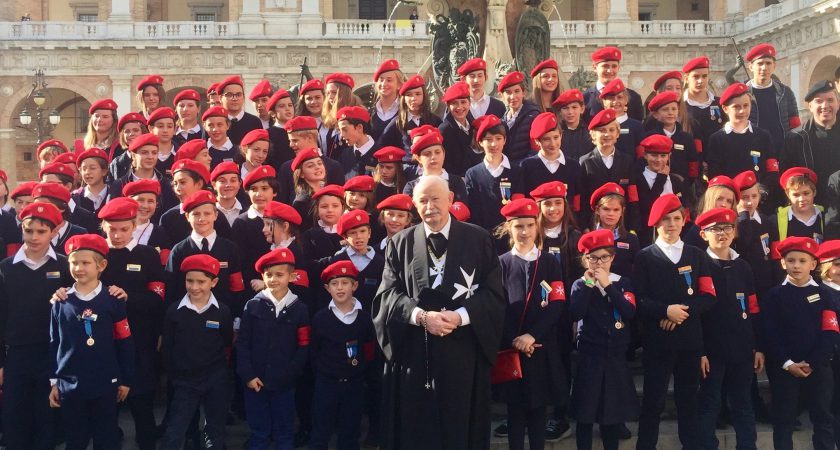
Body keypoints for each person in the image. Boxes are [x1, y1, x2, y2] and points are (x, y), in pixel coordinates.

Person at [373, 175, 506, 450]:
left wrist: (460, 317)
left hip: (463, 356)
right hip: (415, 356)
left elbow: (493, 295)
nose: (430, 205)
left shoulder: (478, 238)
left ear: (451, 199)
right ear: (414, 205)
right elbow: (386, 297)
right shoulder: (400, 244)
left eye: (436, 198)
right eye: (423, 200)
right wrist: (422, 317)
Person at [634, 194, 717, 450]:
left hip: (689, 342)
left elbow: (709, 296)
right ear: (656, 224)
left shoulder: (697, 255)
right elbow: (638, 300)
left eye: (676, 218)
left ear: (684, 221)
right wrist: (664, 311)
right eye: (665, 219)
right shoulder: (645, 257)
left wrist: (681, 313)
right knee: (653, 402)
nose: (671, 224)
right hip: (658, 342)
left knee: (688, 402)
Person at [49, 233, 135, 450]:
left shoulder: (113, 300)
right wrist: (54, 381)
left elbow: (124, 341)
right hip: (71, 384)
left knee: (106, 437)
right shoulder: (61, 301)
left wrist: (125, 379)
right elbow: (54, 342)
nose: (79, 268)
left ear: (101, 266)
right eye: (74, 262)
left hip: (105, 383)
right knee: (75, 438)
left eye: (86, 263)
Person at [0, 202, 73, 449]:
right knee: (15, 414)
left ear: (54, 232)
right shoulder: (6, 268)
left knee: (47, 414)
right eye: (28, 230)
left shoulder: (64, 266)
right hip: (17, 353)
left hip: (52, 352)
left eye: (41, 231)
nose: (33, 237)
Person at [496, 198, 566, 450]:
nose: (524, 232)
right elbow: (497, 307)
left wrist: (532, 336)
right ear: (509, 229)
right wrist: (515, 339)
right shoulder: (501, 263)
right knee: (515, 414)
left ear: (537, 227)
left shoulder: (549, 262)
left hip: (540, 348)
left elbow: (557, 304)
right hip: (512, 350)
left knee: (538, 413)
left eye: (529, 225)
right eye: (518, 226)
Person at [694, 208, 762, 450]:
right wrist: (700, 351)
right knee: (710, 402)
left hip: (742, 348)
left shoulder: (743, 266)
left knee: (743, 403)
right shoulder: (699, 264)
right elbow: (697, 314)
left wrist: (758, 347)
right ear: (704, 235)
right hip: (712, 350)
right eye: (715, 229)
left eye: (726, 228)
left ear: (734, 232)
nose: (722, 233)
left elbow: (752, 308)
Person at [763, 236, 838, 450]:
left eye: (802, 261)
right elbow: (770, 333)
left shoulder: (824, 294)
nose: (796, 265)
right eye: (791, 260)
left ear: (813, 264)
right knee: (784, 421)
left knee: (823, 418)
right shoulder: (775, 295)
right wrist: (788, 363)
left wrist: (812, 362)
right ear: (783, 263)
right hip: (785, 369)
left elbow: (830, 331)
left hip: (818, 367)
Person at [569, 229, 639, 450]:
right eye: (593, 258)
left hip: (615, 358)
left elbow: (629, 312)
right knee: (585, 416)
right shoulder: (580, 285)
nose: (599, 263)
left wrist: (608, 285)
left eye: (604, 257)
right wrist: (591, 284)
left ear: (613, 258)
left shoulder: (623, 283)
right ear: (585, 260)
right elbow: (576, 313)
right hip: (590, 358)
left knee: (611, 416)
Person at [159, 254, 234, 450]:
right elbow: (167, 346)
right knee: (176, 429)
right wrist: (175, 375)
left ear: (214, 282)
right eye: (189, 281)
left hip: (215, 378)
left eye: (201, 281)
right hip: (185, 380)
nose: (194, 287)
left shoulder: (223, 311)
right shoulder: (174, 311)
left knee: (215, 429)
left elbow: (226, 342)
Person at [237, 248, 310, 450]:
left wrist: (291, 374)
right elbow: (243, 343)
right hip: (256, 382)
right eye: (269, 275)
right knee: (259, 432)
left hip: (284, 383)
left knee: (284, 431)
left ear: (291, 276)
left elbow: (304, 346)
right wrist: (248, 375)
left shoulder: (300, 309)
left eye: (280, 275)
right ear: (262, 276)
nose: (274, 279)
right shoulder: (252, 306)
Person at [310, 260, 376, 450]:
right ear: (327, 288)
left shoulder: (364, 319)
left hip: (354, 385)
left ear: (354, 286)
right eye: (334, 283)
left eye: (345, 283)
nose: (340, 288)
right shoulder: (320, 318)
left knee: (350, 434)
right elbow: (314, 352)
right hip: (326, 384)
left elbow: (369, 352)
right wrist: (325, 372)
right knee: (320, 433)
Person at [706, 82, 779, 206]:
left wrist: (760, 192)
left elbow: (772, 170)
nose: (742, 111)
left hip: (759, 202)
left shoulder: (763, 136)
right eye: (736, 107)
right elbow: (715, 175)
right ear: (725, 108)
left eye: (746, 105)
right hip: (730, 203)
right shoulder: (717, 139)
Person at [783, 80, 840, 208]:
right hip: (810, 210)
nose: (825, 105)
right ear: (810, 106)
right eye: (819, 101)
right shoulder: (796, 138)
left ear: (838, 103)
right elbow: (787, 178)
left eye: (830, 100)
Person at [578, 108, 639, 228]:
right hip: (593, 224)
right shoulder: (584, 162)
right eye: (602, 130)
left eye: (611, 130)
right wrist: (584, 227)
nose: (607, 134)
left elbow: (632, 196)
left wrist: (634, 227)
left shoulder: (627, 161)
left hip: (622, 224)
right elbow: (582, 199)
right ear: (593, 135)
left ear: (617, 134)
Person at [513, 112, 582, 213]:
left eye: (555, 137)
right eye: (546, 139)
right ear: (537, 141)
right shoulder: (526, 166)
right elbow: (522, 202)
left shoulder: (573, 166)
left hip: (567, 225)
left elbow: (577, 204)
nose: (553, 144)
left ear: (561, 135)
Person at [632, 135, 689, 247]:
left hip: (675, 233)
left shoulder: (676, 180)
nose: (658, 160)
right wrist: (661, 179)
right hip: (649, 235)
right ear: (645, 155)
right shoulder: (637, 179)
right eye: (654, 155)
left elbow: (683, 208)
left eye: (663, 156)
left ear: (669, 156)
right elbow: (648, 206)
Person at [465, 114, 519, 231]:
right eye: (488, 140)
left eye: (498, 138)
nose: (494, 144)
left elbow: (518, 205)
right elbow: (473, 210)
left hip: (511, 234)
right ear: (480, 142)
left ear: (504, 140)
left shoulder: (516, 171)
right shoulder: (473, 174)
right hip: (482, 235)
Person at [744, 43, 800, 153]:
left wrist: (795, 147)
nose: (764, 68)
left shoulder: (785, 92)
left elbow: (795, 124)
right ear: (751, 67)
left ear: (774, 66)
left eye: (768, 63)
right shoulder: (743, 94)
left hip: (783, 151)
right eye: (760, 63)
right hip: (754, 151)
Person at [377, 74, 441, 154]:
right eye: (409, 95)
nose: (413, 98)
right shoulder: (398, 122)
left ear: (424, 96)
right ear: (403, 99)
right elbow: (381, 145)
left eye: (418, 94)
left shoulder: (435, 121)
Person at [402, 128, 468, 203]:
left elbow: (462, 210)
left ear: (443, 154)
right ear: (418, 158)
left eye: (437, 152)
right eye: (427, 154)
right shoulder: (411, 187)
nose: (433, 157)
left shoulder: (456, 182)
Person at [583, 46, 644, 122]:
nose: (610, 70)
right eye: (605, 66)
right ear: (594, 67)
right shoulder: (585, 98)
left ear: (618, 68)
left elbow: (637, 128)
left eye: (614, 66)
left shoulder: (633, 98)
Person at [438, 81, 481, 177]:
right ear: (448, 106)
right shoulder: (444, 131)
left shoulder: (474, 125)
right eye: (454, 103)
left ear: (469, 103)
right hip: (456, 181)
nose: (460, 107)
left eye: (463, 102)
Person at [498, 71, 539, 164]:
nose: (513, 96)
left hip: (526, 168)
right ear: (502, 95)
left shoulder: (533, 116)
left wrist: (521, 166)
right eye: (508, 92)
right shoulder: (502, 119)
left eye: (517, 91)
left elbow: (536, 149)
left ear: (523, 93)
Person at [597, 79, 645, 159]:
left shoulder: (636, 126)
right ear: (604, 102)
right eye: (611, 98)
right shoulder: (599, 125)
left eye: (619, 97)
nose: (616, 101)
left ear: (626, 100)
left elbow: (641, 155)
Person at [777, 167, 824, 242]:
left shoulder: (824, 215)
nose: (801, 199)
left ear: (814, 192)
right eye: (796, 195)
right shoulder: (777, 220)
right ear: (787, 194)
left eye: (806, 193)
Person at [335, 106, 380, 179]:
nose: (341, 135)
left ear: (359, 127)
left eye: (345, 129)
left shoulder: (380, 155)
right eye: (339, 131)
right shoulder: (345, 155)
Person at [218, 75, 263, 146]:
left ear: (244, 97)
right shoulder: (216, 122)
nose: (234, 98)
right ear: (220, 98)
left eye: (238, 95)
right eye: (229, 95)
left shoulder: (254, 122)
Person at [370, 59, 404, 141]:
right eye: (381, 80)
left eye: (389, 80)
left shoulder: (406, 111)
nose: (384, 84)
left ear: (399, 85)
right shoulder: (370, 114)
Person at [72, 148, 113, 215]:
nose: (87, 172)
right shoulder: (75, 197)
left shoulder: (114, 194)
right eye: (84, 169)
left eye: (93, 168)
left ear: (104, 171)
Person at [553, 89, 590, 161]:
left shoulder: (589, 132)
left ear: (582, 109)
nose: (570, 112)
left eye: (574, 107)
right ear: (560, 112)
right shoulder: (556, 133)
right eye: (565, 108)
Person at [267, 88, 296, 170]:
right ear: (273, 113)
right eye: (282, 106)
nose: (287, 109)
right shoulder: (268, 134)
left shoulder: (299, 130)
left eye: (290, 105)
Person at [147, 106, 179, 176]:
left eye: (169, 126)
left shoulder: (182, 155)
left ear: (175, 129)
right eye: (160, 126)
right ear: (151, 129)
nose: (165, 130)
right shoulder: (145, 155)